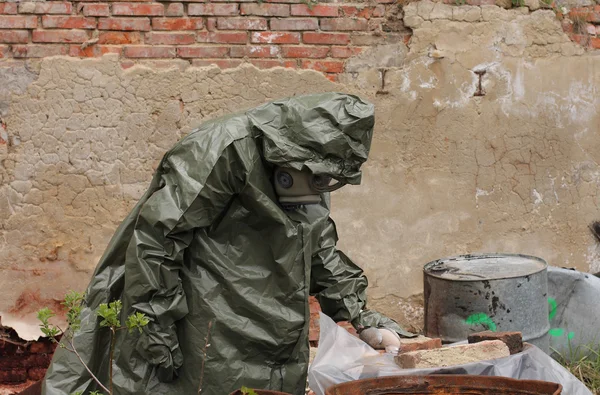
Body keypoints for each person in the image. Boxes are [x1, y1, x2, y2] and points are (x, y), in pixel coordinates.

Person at [42, 93, 413, 395]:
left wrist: (362, 317)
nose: (324, 186)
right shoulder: (223, 148)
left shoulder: (311, 167)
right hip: (207, 314)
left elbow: (317, 244)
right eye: (319, 177)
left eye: (330, 180)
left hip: (276, 321)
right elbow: (158, 239)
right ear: (289, 151)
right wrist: (155, 327)